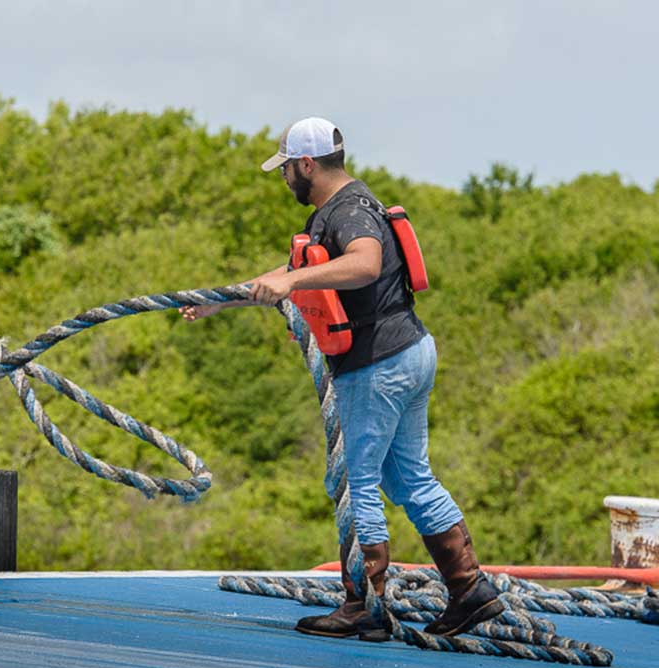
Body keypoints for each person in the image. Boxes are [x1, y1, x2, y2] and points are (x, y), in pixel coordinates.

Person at [181, 117, 503, 640]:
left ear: (306, 164)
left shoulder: (349, 211)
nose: (284, 178)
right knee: (408, 477)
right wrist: (219, 301)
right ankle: (470, 591)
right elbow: (283, 278)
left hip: (378, 363)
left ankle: (364, 604)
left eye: (286, 168)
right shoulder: (338, 211)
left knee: (355, 481)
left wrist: (291, 279)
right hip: (409, 352)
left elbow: (365, 264)